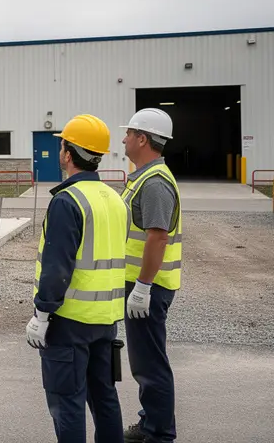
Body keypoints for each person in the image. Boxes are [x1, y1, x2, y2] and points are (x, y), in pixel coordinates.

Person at [26, 114, 129, 443]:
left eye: (62, 146)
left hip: (69, 321)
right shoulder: (115, 199)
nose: (60, 151)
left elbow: (57, 266)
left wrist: (42, 314)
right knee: (104, 398)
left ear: (68, 154)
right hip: (106, 319)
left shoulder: (67, 201)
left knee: (67, 403)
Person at [118, 108, 182, 443]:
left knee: (150, 363)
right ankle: (151, 421)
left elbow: (158, 237)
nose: (124, 139)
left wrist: (142, 287)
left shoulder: (155, 183)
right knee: (144, 361)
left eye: (129, 133)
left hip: (149, 287)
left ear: (142, 139)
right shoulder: (143, 177)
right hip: (142, 284)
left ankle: (159, 434)